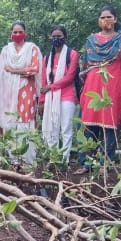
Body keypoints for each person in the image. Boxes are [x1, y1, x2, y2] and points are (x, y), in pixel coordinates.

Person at [78, 6, 121, 172]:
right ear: (98, 20)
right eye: (103, 17)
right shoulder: (91, 40)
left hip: (114, 84)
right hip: (92, 85)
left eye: (109, 17)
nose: (106, 20)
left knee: (110, 124)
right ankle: (86, 164)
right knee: (88, 124)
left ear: (115, 19)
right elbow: (84, 66)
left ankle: (106, 162)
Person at [0, 21, 42, 160]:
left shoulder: (32, 48)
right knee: (10, 121)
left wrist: (14, 70)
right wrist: (22, 72)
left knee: (25, 122)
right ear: (11, 34)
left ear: (25, 33)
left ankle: (28, 159)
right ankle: (13, 158)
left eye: (20, 31)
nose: (17, 34)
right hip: (8, 92)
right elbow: (3, 71)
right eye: (14, 32)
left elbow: (34, 69)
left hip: (26, 90)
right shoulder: (6, 50)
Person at [39, 25, 79, 162]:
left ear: (65, 37)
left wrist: (51, 87)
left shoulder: (72, 54)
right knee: (52, 128)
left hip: (67, 96)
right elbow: (44, 80)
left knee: (66, 129)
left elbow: (69, 77)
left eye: (59, 36)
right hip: (51, 98)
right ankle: (53, 158)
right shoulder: (47, 58)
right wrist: (42, 101)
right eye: (54, 36)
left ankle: (64, 159)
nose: (56, 39)